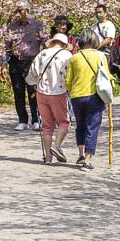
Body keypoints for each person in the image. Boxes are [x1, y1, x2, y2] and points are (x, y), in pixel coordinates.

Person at [67, 29, 109, 171]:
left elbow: (68, 80)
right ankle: (87, 159)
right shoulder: (101, 56)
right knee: (92, 127)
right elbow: (106, 76)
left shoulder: (74, 57)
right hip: (94, 97)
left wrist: (71, 90)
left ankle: (80, 153)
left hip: (77, 97)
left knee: (80, 126)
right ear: (93, 41)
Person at [30, 32, 73, 164]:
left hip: (41, 92)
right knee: (64, 122)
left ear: (52, 42)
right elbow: (69, 74)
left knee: (47, 126)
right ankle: (57, 146)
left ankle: (48, 157)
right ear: (64, 44)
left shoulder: (42, 54)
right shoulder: (67, 55)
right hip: (58, 92)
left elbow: (32, 73)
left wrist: (35, 85)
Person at [6, 1, 47, 131]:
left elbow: (45, 41)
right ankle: (22, 120)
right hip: (15, 60)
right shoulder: (12, 26)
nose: (17, 13)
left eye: (20, 10)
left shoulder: (37, 24)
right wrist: (3, 63)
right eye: (16, 10)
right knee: (18, 92)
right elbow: (6, 47)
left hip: (32, 61)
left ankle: (36, 119)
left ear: (27, 10)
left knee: (33, 91)